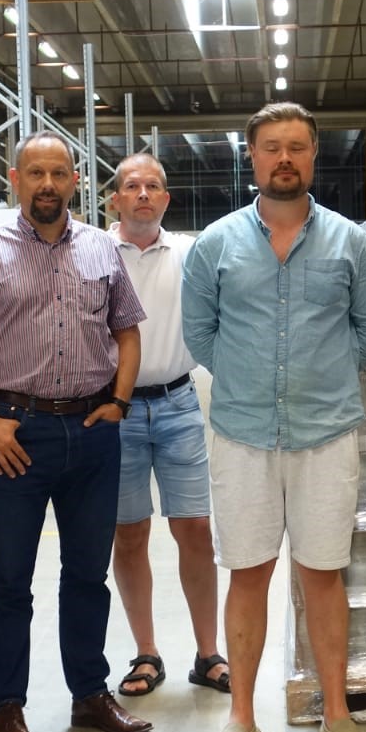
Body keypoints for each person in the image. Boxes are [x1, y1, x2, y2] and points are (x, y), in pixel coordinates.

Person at [183, 102, 366, 732]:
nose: (284, 159)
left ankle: (337, 713)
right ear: (252, 156)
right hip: (243, 434)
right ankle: (241, 718)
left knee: (323, 574)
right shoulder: (216, 244)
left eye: (296, 147)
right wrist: (251, 379)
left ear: (313, 155)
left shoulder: (349, 242)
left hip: (326, 434)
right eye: (271, 147)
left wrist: (319, 378)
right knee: (248, 573)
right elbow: (200, 334)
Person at [0, 132, 151, 732]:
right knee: (11, 578)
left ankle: (89, 693)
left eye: (59, 173)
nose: (48, 185)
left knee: (87, 574)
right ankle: (8, 706)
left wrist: (118, 402)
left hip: (91, 433)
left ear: (76, 181)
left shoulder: (102, 248)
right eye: (36, 173)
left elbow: (127, 330)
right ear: (15, 180)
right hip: (16, 434)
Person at [105, 153, 228, 697]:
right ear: (115, 199)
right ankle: (146, 653)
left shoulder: (188, 252)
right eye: (132, 186)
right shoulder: (95, 251)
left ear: (166, 199)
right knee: (129, 534)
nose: (143, 194)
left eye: (153, 186)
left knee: (195, 529)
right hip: (116, 411)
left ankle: (208, 654)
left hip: (179, 403)